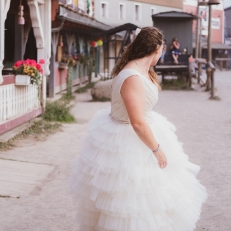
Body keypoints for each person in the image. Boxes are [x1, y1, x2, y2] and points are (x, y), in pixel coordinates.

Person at [69, 27, 207, 231]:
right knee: (132, 203)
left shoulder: (142, 70)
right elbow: (137, 122)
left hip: (137, 130)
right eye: (161, 50)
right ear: (157, 48)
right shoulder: (132, 76)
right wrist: (157, 149)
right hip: (129, 141)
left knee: (152, 199)